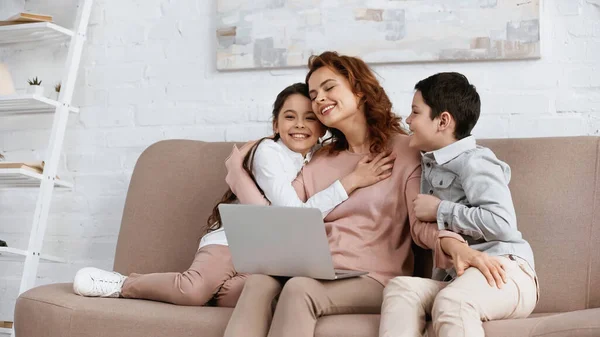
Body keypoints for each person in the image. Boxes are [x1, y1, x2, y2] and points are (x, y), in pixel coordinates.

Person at [71, 82, 393, 307]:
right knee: (194, 290)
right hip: (232, 241)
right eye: (290, 117)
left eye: (310, 118)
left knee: (245, 299)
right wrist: (350, 182)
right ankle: (122, 284)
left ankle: (209, 290)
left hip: (266, 258)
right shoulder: (268, 152)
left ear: (322, 127)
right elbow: (292, 214)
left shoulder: (318, 159)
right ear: (276, 124)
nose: (300, 125)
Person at [222, 52, 465, 337]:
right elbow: (283, 218)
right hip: (319, 270)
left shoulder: (403, 151)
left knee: (300, 289)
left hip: (374, 277)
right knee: (259, 281)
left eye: (328, 87)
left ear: (359, 90)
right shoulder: (321, 159)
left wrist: (453, 244)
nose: (319, 99)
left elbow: (419, 223)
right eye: (314, 94)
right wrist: (239, 178)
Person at [379, 72, 538, 337]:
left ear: (443, 120)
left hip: (506, 273)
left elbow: (503, 223)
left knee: (453, 302)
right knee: (400, 289)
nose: (408, 120)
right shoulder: (427, 163)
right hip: (462, 280)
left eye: (415, 112)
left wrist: (440, 210)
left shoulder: (476, 161)